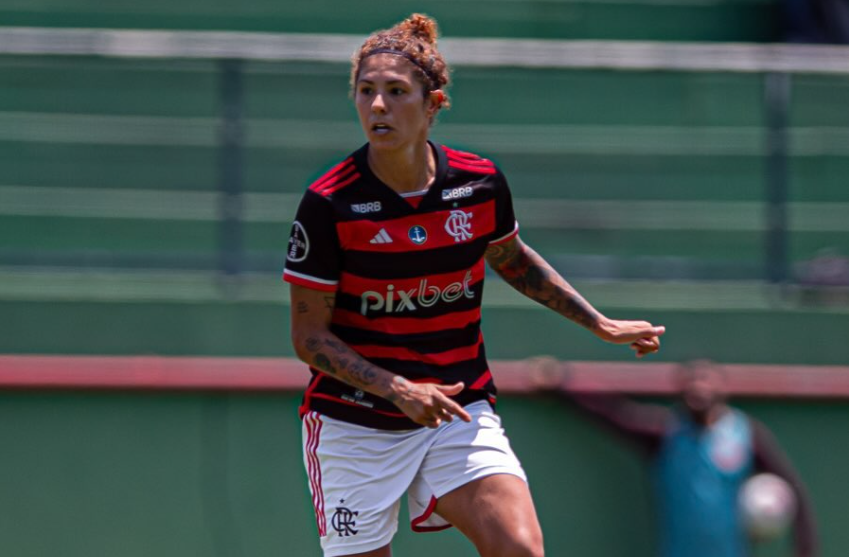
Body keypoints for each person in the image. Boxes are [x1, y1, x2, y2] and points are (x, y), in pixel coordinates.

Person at [283, 13, 665, 557]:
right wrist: (399, 390)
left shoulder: (479, 183)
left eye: (396, 91)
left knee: (519, 548)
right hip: (356, 423)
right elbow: (310, 339)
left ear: (433, 103)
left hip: (457, 408)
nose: (378, 106)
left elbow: (512, 259)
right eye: (366, 91)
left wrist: (599, 324)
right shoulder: (328, 203)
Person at [553, 360, 818, 557]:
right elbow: (615, 414)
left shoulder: (745, 434)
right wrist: (562, 383)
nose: (698, 386)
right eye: (691, 381)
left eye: (705, 379)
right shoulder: (666, 433)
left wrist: (805, 547)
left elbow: (790, 486)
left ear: (722, 388)